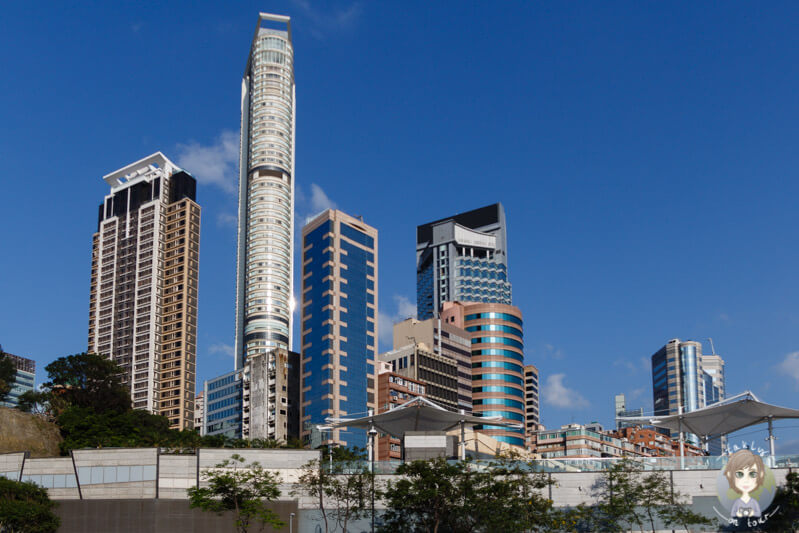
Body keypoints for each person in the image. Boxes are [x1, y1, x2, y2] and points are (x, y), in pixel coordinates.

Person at [723, 449, 765, 518]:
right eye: (739, 474)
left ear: (760, 475)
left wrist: (752, 513)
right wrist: (738, 514)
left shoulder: (754, 502)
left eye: (752, 474)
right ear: (730, 475)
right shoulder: (737, 502)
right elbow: (732, 514)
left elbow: (758, 513)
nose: (746, 480)